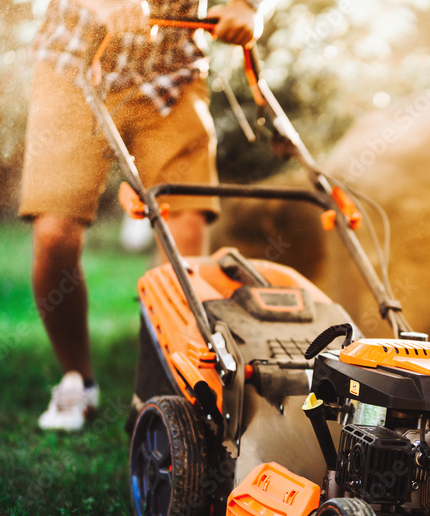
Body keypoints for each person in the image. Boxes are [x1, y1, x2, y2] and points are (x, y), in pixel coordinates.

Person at [20, 0, 260, 430]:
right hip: (73, 62)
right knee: (55, 232)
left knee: (184, 232)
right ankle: (77, 379)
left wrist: (248, 6)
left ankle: (175, 380)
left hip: (171, 72)